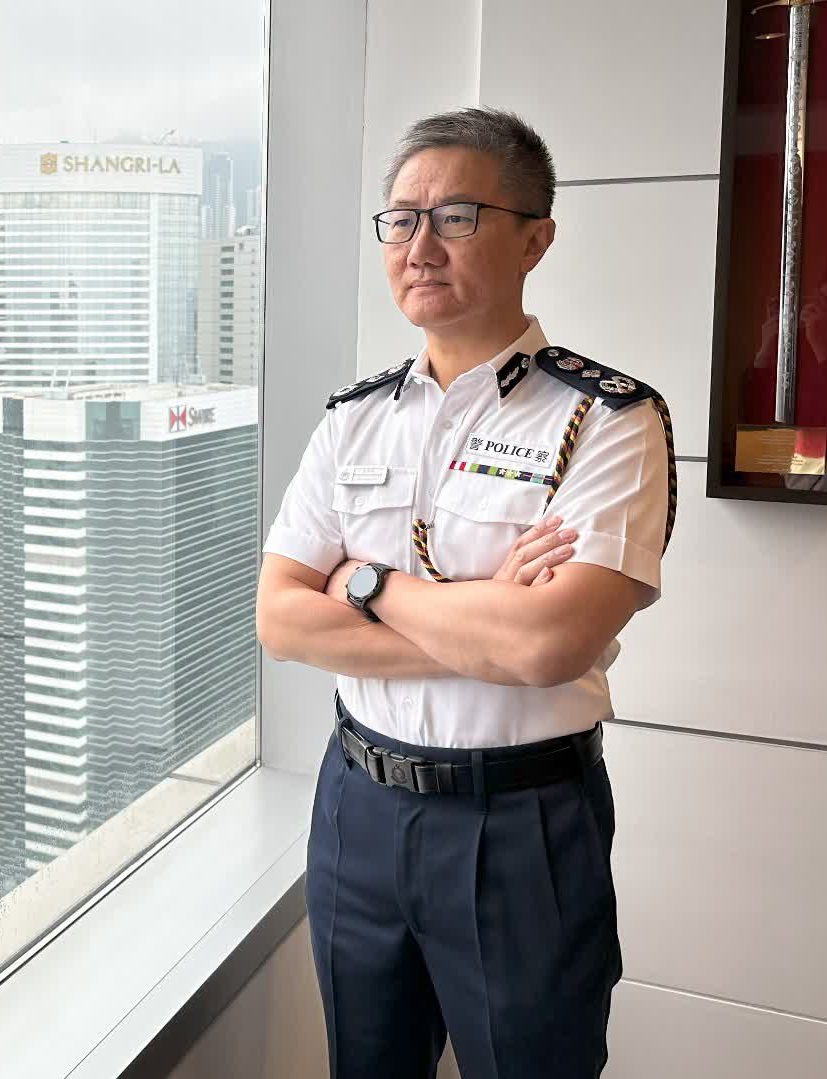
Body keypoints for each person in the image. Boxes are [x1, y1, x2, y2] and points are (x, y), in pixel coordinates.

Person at [253, 107, 677, 1079]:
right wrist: (484, 612)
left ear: (536, 238)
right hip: (357, 807)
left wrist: (365, 582)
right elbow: (279, 618)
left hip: (522, 822)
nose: (420, 245)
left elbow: (545, 646)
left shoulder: (609, 421)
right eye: (400, 220)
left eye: (456, 216)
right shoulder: (354, 421)